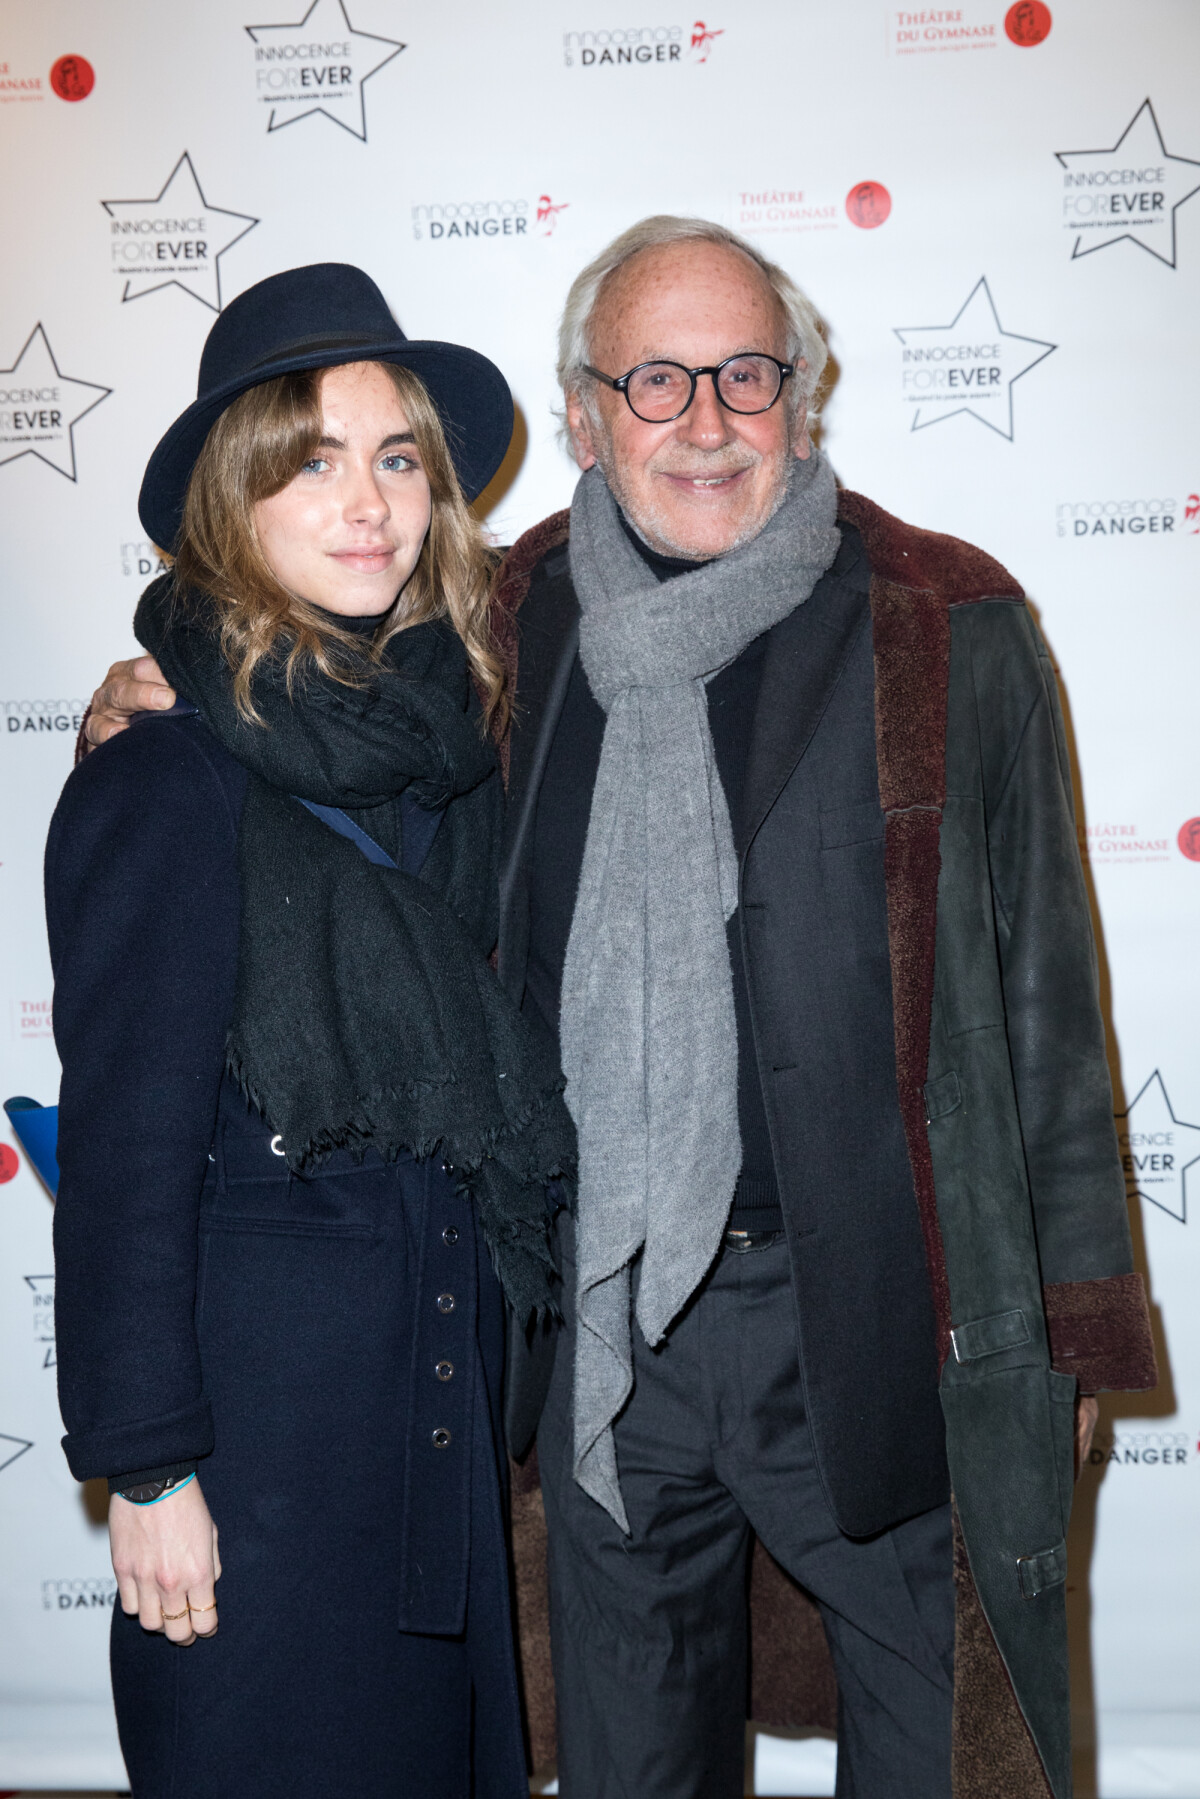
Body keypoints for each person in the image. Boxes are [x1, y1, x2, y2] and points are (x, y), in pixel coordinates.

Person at [84, 219, 1159, 1799]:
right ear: (584, 416)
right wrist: (144, 694)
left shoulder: (947, 620)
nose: (705, 419)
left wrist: (1067, 1338)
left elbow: (1050, 1008)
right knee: (628, 1762)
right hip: (599, 1344)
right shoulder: (507, 630)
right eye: (655, 380)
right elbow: (304, 731)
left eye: (744, 373)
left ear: (803, 394)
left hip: (877, 1321)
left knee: (951, 1750)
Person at [49, 262, 573, 1799]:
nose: (368, 504)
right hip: (253, 1457)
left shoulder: (448, 753)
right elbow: (130, 1150)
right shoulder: (163, 773)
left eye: (397, 458)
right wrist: (148, 1466)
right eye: (313, 462)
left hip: (428, 1436)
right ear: (234, 501)